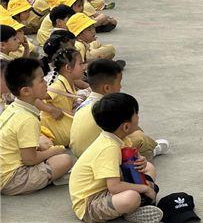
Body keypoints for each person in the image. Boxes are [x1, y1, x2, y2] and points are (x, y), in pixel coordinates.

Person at [69, 92, 163, 223]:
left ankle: (139, 202)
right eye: (136, 114)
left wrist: (141, 161)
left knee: (149, 167)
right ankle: (132, 210)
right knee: (132, 198)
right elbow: (115, 187)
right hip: (90, 202)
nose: (138, 117)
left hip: (108, 187)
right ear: (126, 126)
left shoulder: (120, 138)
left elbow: (134, 160)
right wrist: (145, 188)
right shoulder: (109, 148)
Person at [0, 58, 72, 195]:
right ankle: (43, 179)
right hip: (11, 179)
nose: (46, 83)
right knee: (64, 159)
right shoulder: (27, 119)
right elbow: (29, 159)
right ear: (26, 91)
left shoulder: (13, 108)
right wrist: (54, 151)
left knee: (44, 144)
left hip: (5, 167)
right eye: (41, 80)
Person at [70, 59, 170, 159]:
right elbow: (128, 130)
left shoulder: (84, 105)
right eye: (119, 82)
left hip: (79, 154)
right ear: (107, 88)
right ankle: (151, 150)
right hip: (98, 156)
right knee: (139, 136)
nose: (120, 86)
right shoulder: (110, 108)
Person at [40, 48, 87, 147]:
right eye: (81, 64)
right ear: (68, 68)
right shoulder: (57, 86)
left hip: (64, 124)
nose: (84, 67)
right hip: (56, 130)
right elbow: (34, 97)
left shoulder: (69, 82)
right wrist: (51, 109)